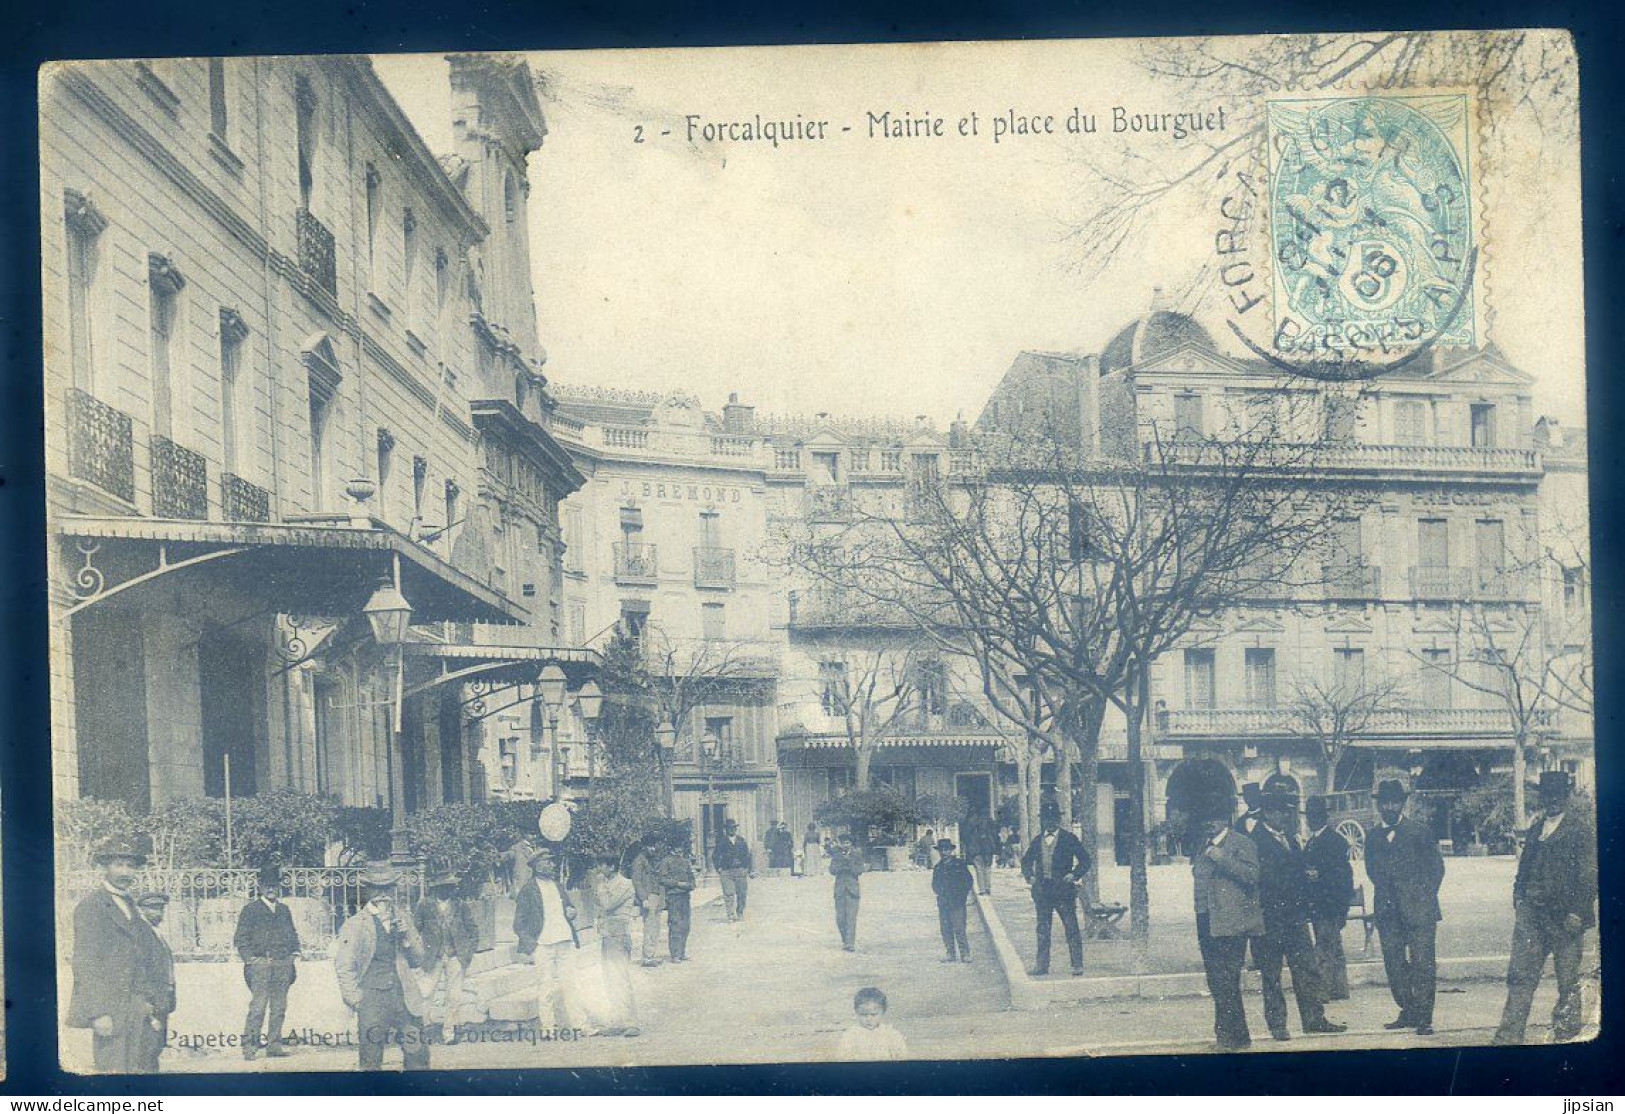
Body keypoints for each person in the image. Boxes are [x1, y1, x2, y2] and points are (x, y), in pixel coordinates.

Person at [1494, 770, 1597, 1044]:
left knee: (1567, 982)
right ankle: (1508, 1037)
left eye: (1558, 795)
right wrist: (1518, 895)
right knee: (1520, 976)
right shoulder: (1537, 827)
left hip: (1566, 919)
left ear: (1566, 796)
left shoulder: (1581, 829)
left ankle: (1565, 1037)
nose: (1552, 800)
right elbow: (1524, 868)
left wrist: (1577, 911)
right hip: (1532, 916)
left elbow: (1589, 876)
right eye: (1547, 795)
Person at [1249, 789, 1344, 1039]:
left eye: (1287, 811)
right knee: (1271, 975)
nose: (1285, 816)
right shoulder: (1254, 841)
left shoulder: (1290, 839)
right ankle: (1277, 1024)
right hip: (1269, 919)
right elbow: (1264, 878)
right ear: (1268, 813)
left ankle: (1314, 1019)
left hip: (1295, 917)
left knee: (1307, 969)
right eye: (1281, 811)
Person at [67, 836, 162, 1073]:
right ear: (105, 866)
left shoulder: (131, 905)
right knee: (114, 1075)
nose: (125, 871)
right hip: (110, 1010)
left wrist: (147, 1001)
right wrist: (99, 1013)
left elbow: (143, 957)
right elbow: (85, 963)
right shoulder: (91, 906)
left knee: (141, 1074)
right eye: (118, 864)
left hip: (137, 1008)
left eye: (130, 866)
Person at [1365, 778, 1445, 1035]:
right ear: (1379, 805)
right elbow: (1372, 871)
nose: (1389, 807)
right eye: (1385, 802)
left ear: (1402, 803)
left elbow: (1436, 869)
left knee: (1423, 964)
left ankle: (1424, 1017)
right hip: (1388, 913)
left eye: (1394, 801)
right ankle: (1408, 1009)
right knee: (1394, 965)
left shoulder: (1419, 831)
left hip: (1420, 912)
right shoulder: (1373, 836)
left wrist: (1421, 897)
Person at [333, 865, 429, 1071]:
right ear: (367, 890)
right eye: (377, 889)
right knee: (371, 1060)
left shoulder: (403, 918)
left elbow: (418, 959)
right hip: (372, 1001)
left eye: (387, 888)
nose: (383, 894)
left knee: (418, 1056)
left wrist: (406, 939)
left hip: (404, 998)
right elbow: (344, 966)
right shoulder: (356, 924)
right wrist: (357, 1000)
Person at [1192, 813, 1263, 1051]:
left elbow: (1252, 876)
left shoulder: (1242, 843)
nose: (1208, 820)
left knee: (1227, 979)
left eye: (1214, 813)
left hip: (1231, 923)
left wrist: (1221, 858)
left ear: (1226, 817)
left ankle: (1227, 1038)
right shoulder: (1204, 844)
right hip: (1206, 920)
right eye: (1206, 815)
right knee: (1216, 980)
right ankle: (1238, 1036)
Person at [234, 863, 301, 1060]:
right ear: (260, 887)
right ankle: (249, 1047)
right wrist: (251, 960)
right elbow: (240, 939)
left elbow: (292, 933)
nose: (271, 889)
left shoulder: (284, 910)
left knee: (279, 1007)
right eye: (266, 885)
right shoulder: (250, 910)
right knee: (258, 1007)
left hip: (282, 965)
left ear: (279, 886)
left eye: (274, 885)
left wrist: (294, 955)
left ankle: (274, 1046)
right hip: (261, 965)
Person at [514, 847, 580, 1029]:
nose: (552, 865)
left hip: (565, 940)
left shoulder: (557, 886)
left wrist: (572, 911)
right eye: (547, 862)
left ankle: (579, 1024)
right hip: (543, 944)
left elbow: (569, 907)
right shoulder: (528, 890)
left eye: (551, 861)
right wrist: (532, 945)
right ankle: (548, 1028)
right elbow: (519, 923)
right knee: (546, 987)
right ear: (536, 865)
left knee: (571, 984)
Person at [1021, 807, 1091, 977]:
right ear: (1042, 821)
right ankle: (1042, 966)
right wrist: (1029, 876)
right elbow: (1026, 861)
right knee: (1043, 930)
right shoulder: (1037, 841)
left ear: (1058, 821)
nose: (1049, 822)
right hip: (1043, 892)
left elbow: (1086, 860)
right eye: (1046, 819)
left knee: (1071, 927)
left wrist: (1074, 874)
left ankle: (1077, 965)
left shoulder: (1069, 839)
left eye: (1053, 819)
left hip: (1063, 892)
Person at [415, 872, 479, 1044]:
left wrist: (466, 953)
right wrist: (421, 952)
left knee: (454, 996)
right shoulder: (424, 906)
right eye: (445, 887)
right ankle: (423, 1030)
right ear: (436, 889)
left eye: (451, 887)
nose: (449, 890)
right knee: (426, 993)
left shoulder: (461, 906)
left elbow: (473, 931)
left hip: (455, 956)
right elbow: (415, 931)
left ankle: (449, 1033)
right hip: (432, 957)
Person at [1303, 796, 1354, 1001]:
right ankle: (1339, 988)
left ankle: (1324, 990)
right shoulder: (1313, 841)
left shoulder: (1334, 841)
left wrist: (1318, 875)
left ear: (1324, 817)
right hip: (1321, 904)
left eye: (1316, 816)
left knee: (1324, 947)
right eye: (1310, 816)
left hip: (1328, 904)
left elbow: (1342, 876)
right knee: (1333, 946)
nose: (1312, 820)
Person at [589, 853, 641, 1037]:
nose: (599, 870)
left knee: (620, 978)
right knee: (610, 979)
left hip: (619, 935)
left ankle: (631, 1022)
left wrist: (601, 885)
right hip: (608, 935)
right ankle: (618, 1021)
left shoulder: (624, 884)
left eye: (602, 865)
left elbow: (607, 904)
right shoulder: (609, 884)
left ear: (611, 867)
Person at [133, 892, 176, 1072]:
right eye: (153, 908)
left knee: (155, 1048)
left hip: (162, 1000)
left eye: (160, 908)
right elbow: (140, 969)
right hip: (150, 1001)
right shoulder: (141, 933)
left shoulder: (156, 932)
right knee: (147, 1050)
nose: (158, 913)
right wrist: (148, 1001)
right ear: (142, 910)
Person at [835, 986, 909, 1061]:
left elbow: (902, 1057)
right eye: (864, 1015)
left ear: (883, 1012)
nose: (869, 1019)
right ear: (856, 1012)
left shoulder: (890, 1034)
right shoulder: (851, 1035)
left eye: (873, 1014)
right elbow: (842, 1059)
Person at [931, 838, 974, 963]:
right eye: (941, 850)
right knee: (945, 928)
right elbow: (935, 884)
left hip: (957, 902)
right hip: (944, 902)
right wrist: (941, 894)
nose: (944, 853)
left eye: (946, 850)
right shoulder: (938, 867)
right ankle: (950, 953)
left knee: (959, 927)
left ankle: (965, 953)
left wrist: (962, 895)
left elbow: (968, 880)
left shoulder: (959, 864)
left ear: (951, 850)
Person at [656, 834, 697, 962]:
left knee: (686, 925)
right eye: (678, 847)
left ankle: (682, 952)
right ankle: (675, 954)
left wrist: (689, 886)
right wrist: (677, 884)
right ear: (672, 848)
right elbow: (662, 879)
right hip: (673, 897)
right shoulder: (666, 861)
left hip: (685, 896)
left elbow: (692, 879)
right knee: (675, 924)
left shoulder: (685, 862)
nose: (680, 850)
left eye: (681, 847)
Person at [629, 837, 666, 967]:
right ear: (643, 846)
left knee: (655, 927)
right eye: (650, 846)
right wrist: (643, 898)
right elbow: (637, 881)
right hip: (648, 896)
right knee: (650, 926)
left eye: (653, 846)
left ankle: (651, 955)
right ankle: (647, 957)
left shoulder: (651, 860)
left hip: (656, 895)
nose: (653, 849)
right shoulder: (639, 861)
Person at [829, 832, 865, 951]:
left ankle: (850, 943)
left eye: (848, 843)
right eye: (843, 843)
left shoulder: (857, 854)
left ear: (851, 843)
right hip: (839, 890)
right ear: (840, 844)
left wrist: (849, 865)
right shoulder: (836, 855)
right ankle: (845, 940)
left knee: (851, 917)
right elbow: (832, 870)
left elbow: (860, 870)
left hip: (852, 890)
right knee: (840, 919)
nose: (846, 845)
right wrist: (841, 865)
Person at [714, 819, 753, 922]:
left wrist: (748, 869)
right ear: (726, 829)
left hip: (740, 870)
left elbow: (747, 856)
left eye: (733, 828)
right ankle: (731, 915)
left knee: (741, 893)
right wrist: (718, 867)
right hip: (726, 871)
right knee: (728, 893)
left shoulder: (741, 841)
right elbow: (715, 855)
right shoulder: (721, 841)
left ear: (736, 829)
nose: (731, 830)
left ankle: (740, 912)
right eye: (729, 828)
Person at [960, 811, 999, 896]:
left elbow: (965, 836)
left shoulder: (971, 823)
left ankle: (982, 889)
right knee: (987, 868)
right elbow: (995, 835)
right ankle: (988, 887)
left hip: (976, 849)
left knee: (979, 869)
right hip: (988, 848)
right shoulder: (989, 822)